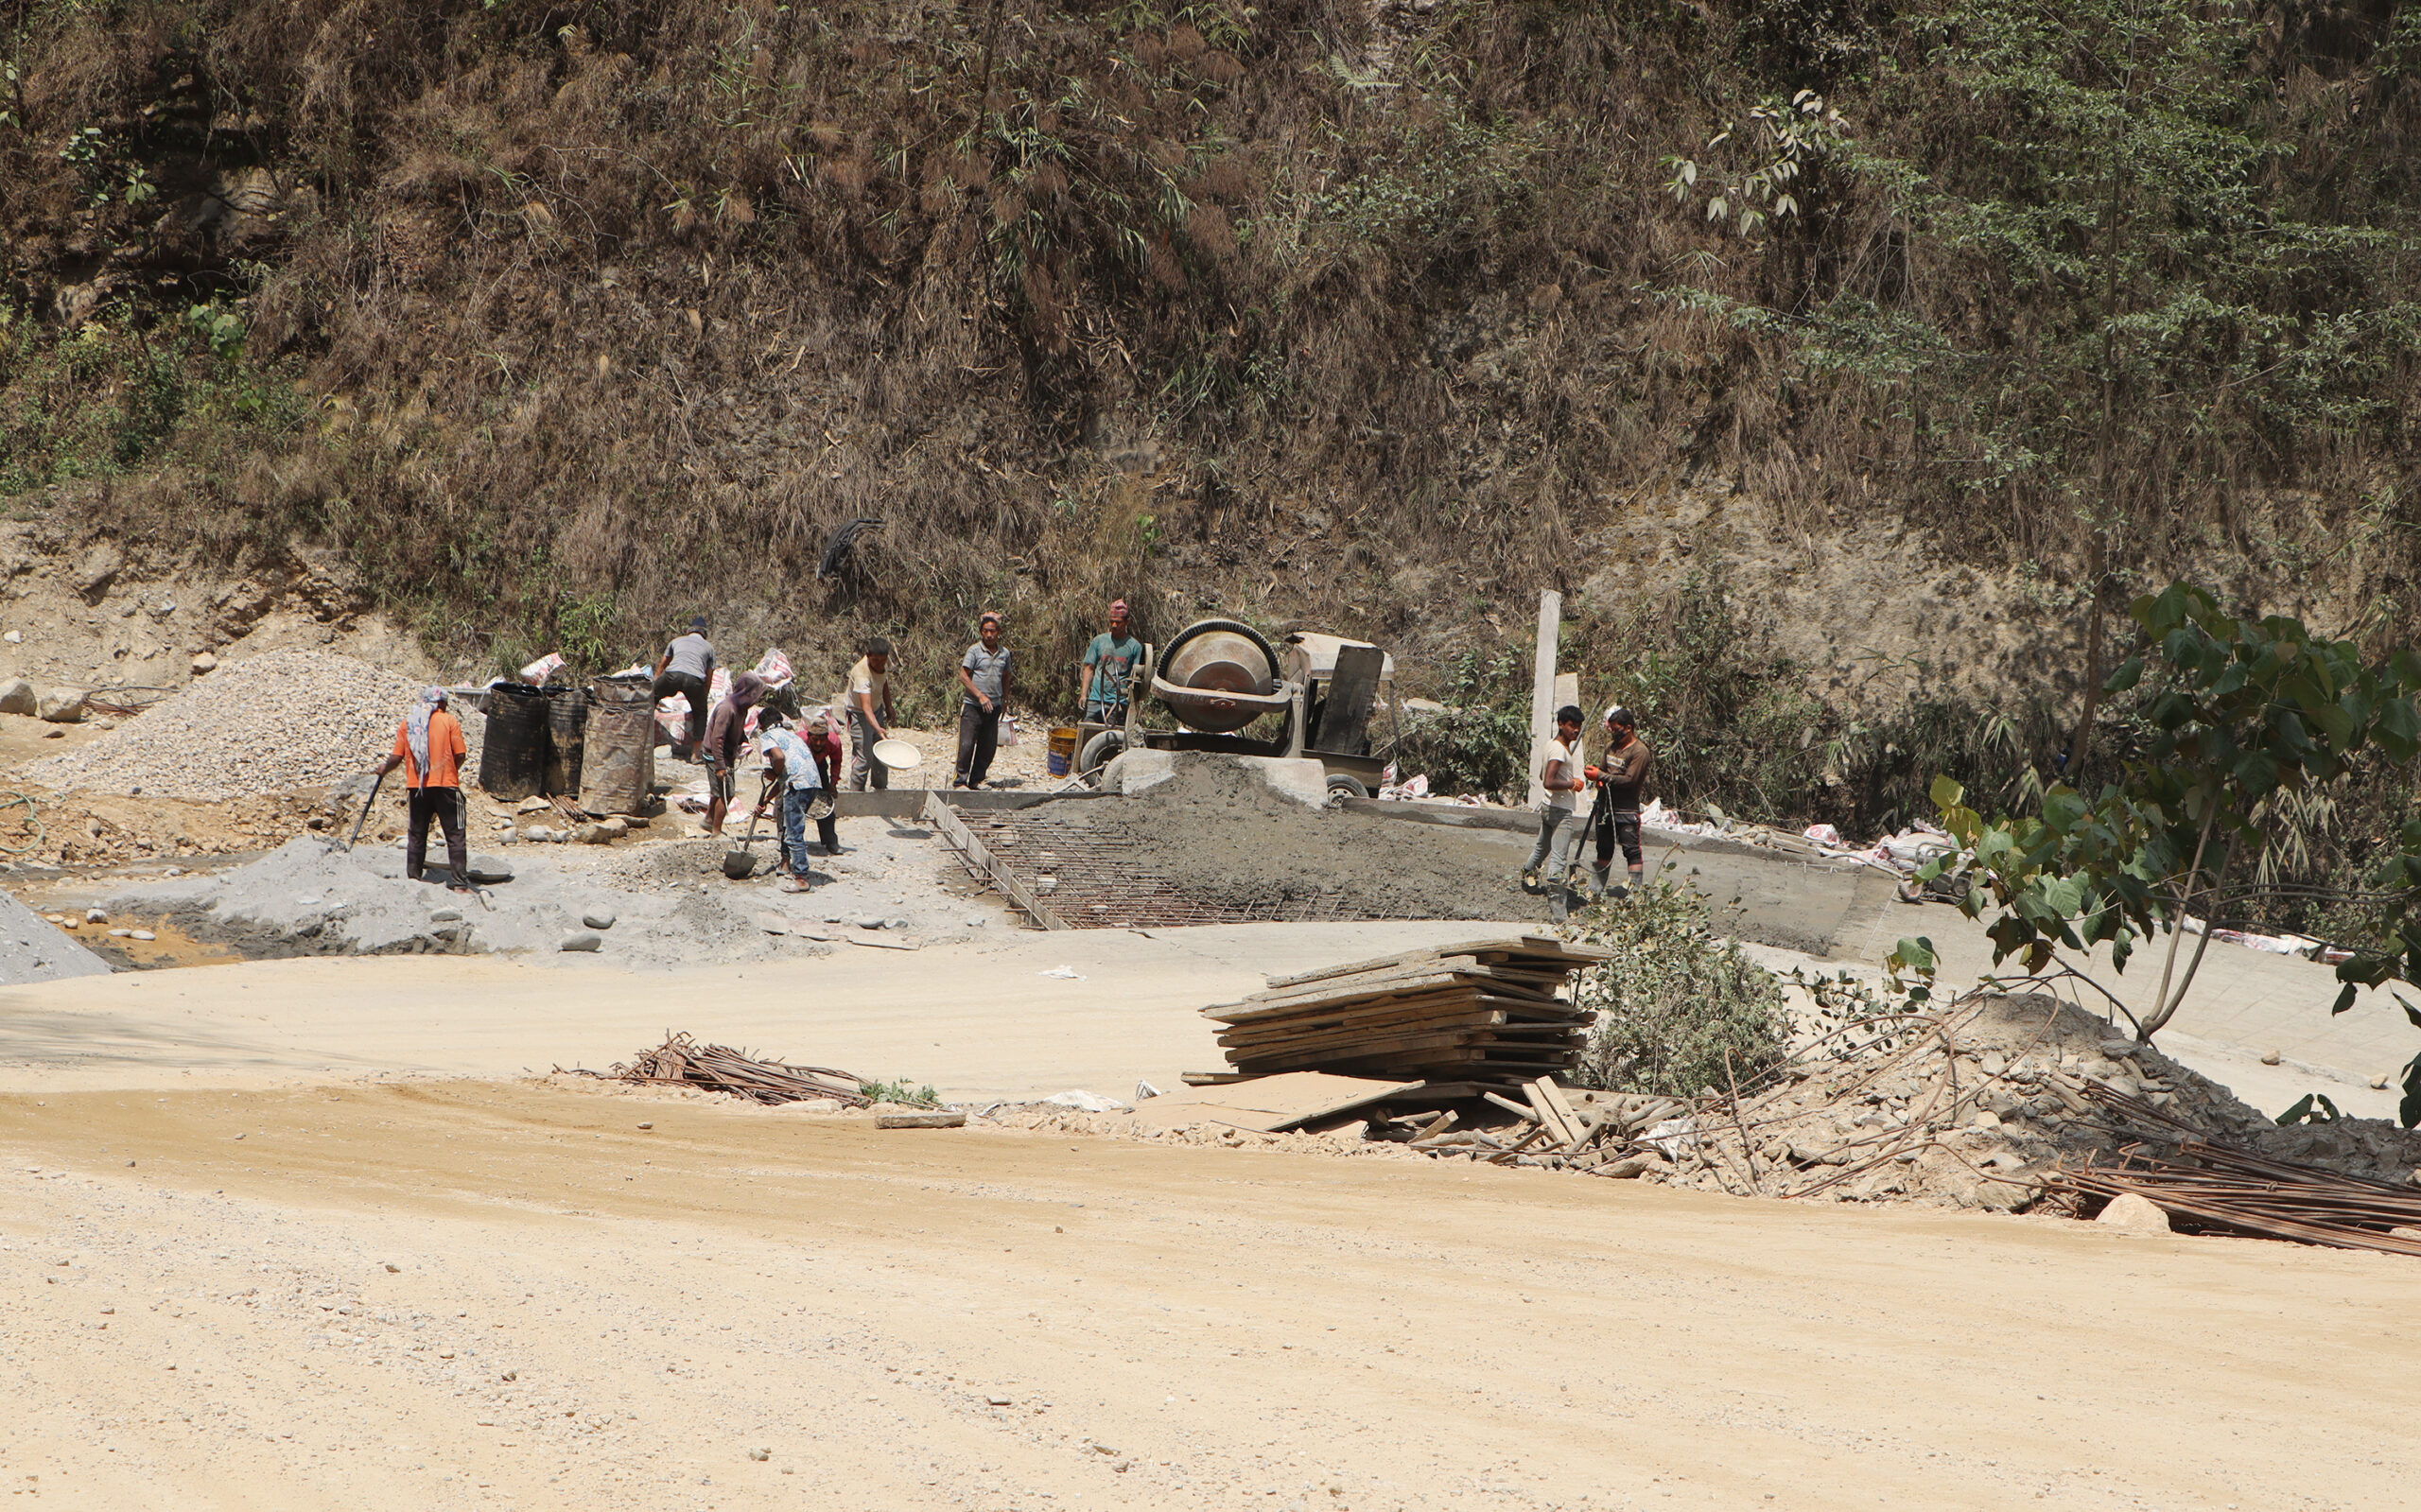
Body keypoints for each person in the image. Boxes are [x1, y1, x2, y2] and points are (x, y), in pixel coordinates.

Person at [374, 686, 471, 892]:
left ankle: (414, 879)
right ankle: (460, 885)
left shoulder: (408, 723)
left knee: (417, 834)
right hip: (446, 786)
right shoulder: (450, 721)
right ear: (442, 703)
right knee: (455, 835)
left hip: (417, 788)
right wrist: (449, 771)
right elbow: (460, 755)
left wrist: (384, 769)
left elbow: (396, 758)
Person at [1521, 704, 1589, 920]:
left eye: (1578, 726)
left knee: (1542, 848)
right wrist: (1572, 783)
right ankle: (1559, 910)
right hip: (1560, 811)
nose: (1576, 730)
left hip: (1548, 807)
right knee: (1558, 859)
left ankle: (1526, 878)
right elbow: (1549, 781)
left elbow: (1542, 776)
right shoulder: (1560, 750)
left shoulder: (1551, 745)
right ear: (1561, 724)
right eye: (1571, 726)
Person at [1588, 705, 1656, 898]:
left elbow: (1629, 780)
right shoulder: (1611, 748)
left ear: (1628, 728)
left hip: (1625, 809)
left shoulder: (1639, 752)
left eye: (1617, 729)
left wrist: (1601, 775)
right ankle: (1595, 890)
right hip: (1606, 807)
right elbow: (1603, 770)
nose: (1614, 733)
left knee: (1631, 850)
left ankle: (1634, 892)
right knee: (1603, 848)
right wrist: (1598, 777)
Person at [751, 710, 823, 893]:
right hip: (812, 782)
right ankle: (785, 865)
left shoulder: (768, 736)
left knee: (793, 832)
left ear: (761, 726)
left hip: (796, 784)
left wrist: (773, 772)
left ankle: (801, 879)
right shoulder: (792, 736)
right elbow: (785, 777)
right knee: (790, 823)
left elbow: (780, 759)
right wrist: (766, 800)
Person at [699, 670, 765, 836]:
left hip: (726, 754)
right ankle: (716, 831)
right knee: (727, 793)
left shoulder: (741, 708)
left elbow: (737, 730)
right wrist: (720, 766)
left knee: (718, 791)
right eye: (753, 693)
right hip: (716, 754)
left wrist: (743, 741)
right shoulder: (727, 708)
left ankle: (708, 820)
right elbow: (717, 738)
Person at [955, 612, 1011, 789]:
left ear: (998, 632)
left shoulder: (1004, 654)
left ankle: (977, 780)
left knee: (988, 746)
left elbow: (1006, 677)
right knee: (966, 745)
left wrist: (1005, 700)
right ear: (981, 632)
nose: (989, 635)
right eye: (986, 631)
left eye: (992, 631)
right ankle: (960, 781)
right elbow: (963, 676)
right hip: (973, 706)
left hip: (993, 706)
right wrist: (979, 695)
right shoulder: (974, 651)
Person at [653, 616, 717, 759]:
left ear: (689, 631)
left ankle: (643, 735)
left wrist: (655, 681)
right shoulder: (709, 647)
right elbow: (709, 674)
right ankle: (695, 754)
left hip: (672, 676)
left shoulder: (676, 640)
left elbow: (663, 663)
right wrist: (704, 695)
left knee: (651, 698)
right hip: (694, 680)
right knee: (700, 713)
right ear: (704, 634)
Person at [844, 637, 897, 791]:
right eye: (876, 661)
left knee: (881, 752)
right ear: (868, 655)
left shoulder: (883, 664)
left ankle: (880, 789)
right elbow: (865, 708)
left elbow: (883, 682)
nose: (880, 664)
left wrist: (889, 706)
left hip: (877, 710)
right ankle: (856, 793)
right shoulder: (861, 673)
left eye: (883, 661)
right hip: (858, 714)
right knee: (864, 757)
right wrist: (878, 728)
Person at [1077, 598, 1142, 723]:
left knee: (1111, 738)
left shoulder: (1134, 647)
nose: (1114, 625)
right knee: (1087, 732)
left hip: (1118, 703)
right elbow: (1089, 668)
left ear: (1127, 622)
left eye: (1118, 622)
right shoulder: (1099, 641)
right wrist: (1084, 694)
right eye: (1112, 622)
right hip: (1096, 700)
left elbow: (1137, 677)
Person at [803, 710, 845, 854]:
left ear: (827, 737)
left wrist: (833, 784)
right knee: (791, 803)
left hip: (820, 766)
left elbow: (836, 762)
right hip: (800, 767)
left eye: (822, 739)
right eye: (815, 739)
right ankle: (785, 840)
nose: (819, 743)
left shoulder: (834, 742)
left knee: (826, 804)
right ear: (809, 737)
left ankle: (830, 841)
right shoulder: (799, 741)